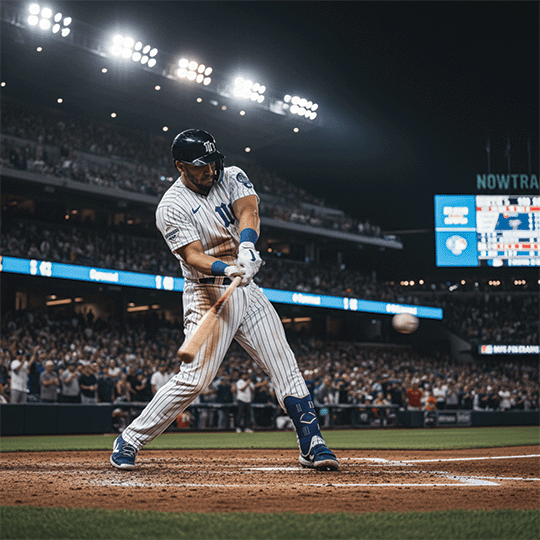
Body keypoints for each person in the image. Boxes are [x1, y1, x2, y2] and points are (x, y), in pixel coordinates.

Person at [110, 129, 339, 471]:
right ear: (180, 166)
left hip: (246, 287)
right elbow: (192, 255)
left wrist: (247, 246)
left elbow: (249, 211)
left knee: (284, 364)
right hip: (206, 292)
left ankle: (312, 442)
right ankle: (130, 439)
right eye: (201, 166)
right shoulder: (171, 206)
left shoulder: (231, 176)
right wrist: (227, 268)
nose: (210, 171)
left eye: (213, 163)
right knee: (195, 379)